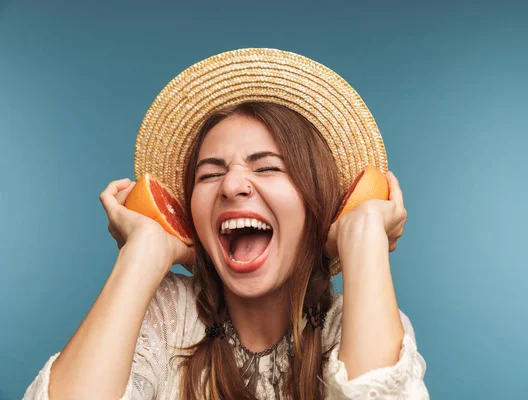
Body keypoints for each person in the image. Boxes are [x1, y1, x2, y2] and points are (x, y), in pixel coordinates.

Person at [24, 49, 429, 399]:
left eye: (268, 167)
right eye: (209, 174)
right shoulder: (167, 318)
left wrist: (363, 233)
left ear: (316, 203)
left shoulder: (357, 323)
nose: (232, 185)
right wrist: (145, 250)